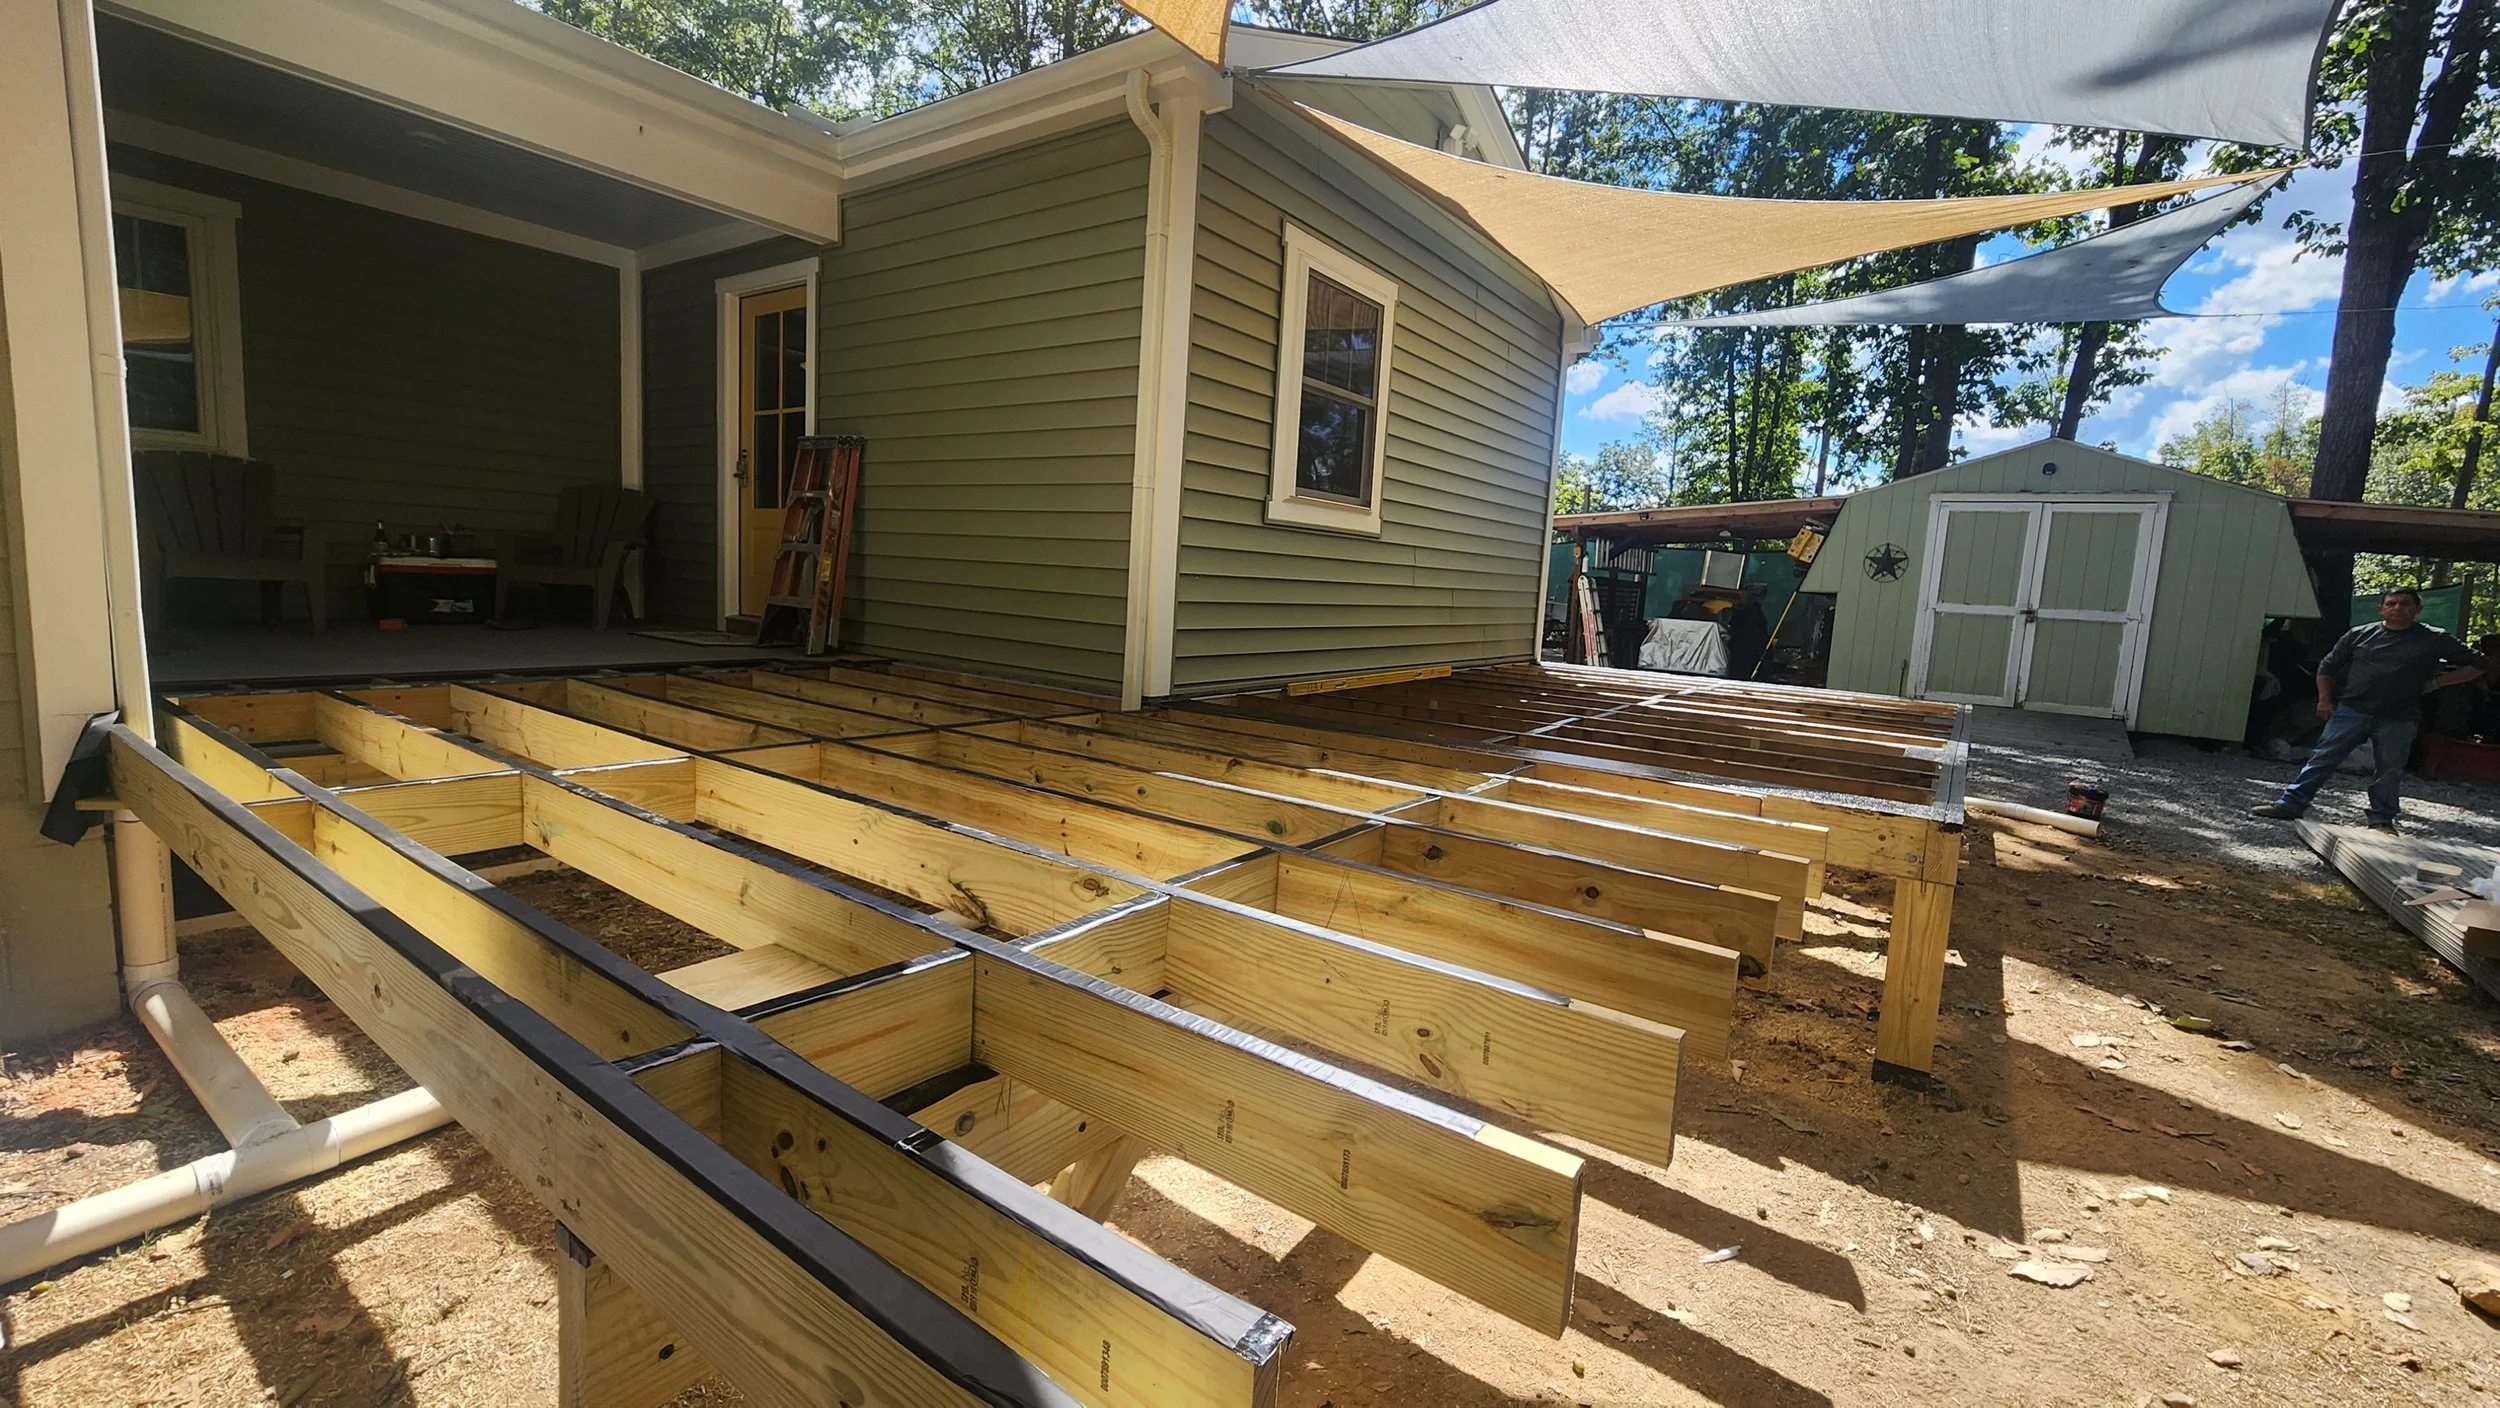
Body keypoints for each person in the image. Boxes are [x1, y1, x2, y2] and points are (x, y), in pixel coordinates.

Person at [2250, 588, 2485, 829]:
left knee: (2389, 770)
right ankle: (2290, 805)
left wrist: (2437, 682)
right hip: (2352, 710)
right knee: (2322, 759)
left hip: (2399, 717)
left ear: (2417, 610)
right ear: (2381, 609)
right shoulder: (2360, 635)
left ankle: (2382, 820)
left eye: (2405, 604)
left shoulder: (2435, 638)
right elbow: (2327, 667)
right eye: (2391, 603)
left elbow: (2478, 664)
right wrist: (2324, 700)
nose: (2397, 608)